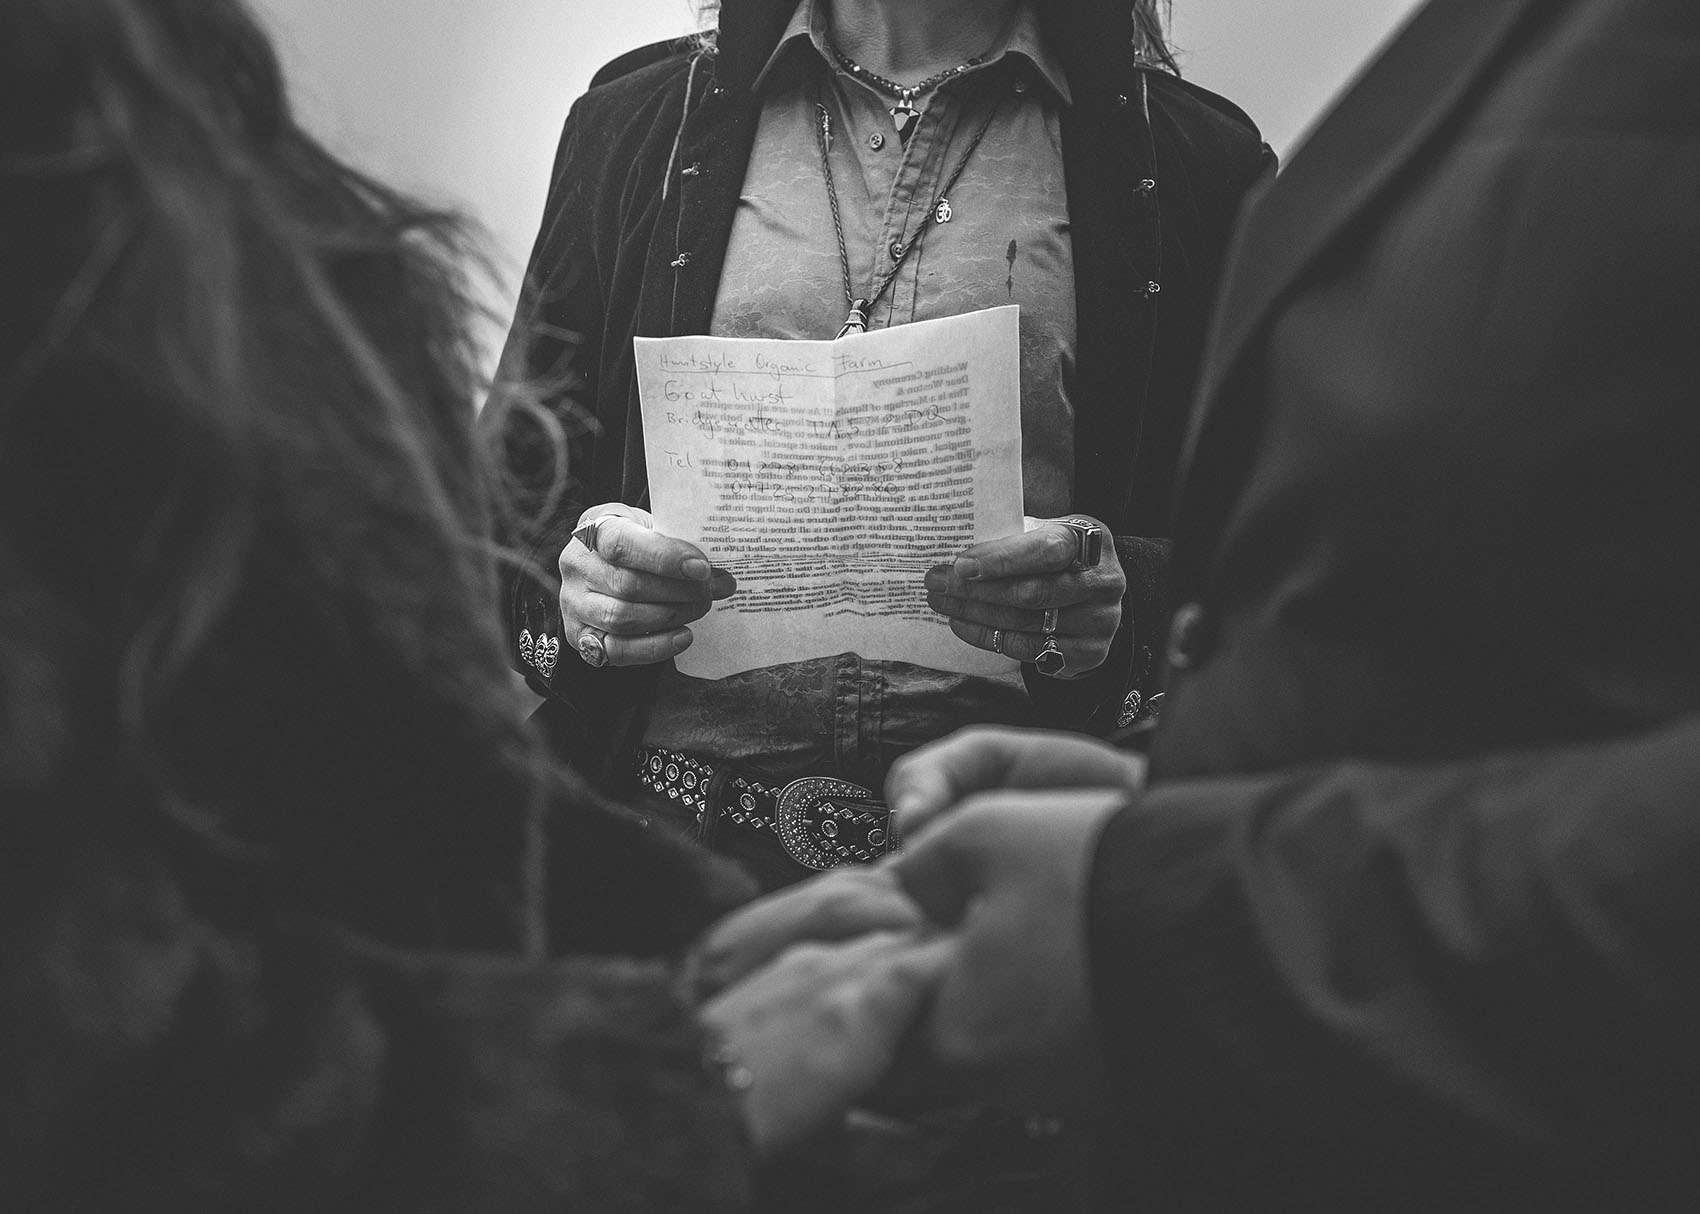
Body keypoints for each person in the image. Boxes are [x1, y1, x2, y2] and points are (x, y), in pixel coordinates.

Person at [700, 0, 1700, 1205]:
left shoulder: (1193, 157)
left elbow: (1212, 556)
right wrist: (1153, 810)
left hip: (1112, 963)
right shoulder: (643, 123)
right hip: (728, 858)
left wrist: (1151, 876)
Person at [0, 0, 947, 1205]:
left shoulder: (164, 100)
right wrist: (661, 1087)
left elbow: (362, 784)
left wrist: (692, 937)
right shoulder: (636, 120)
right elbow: (77, 1048)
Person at [487, 0, 1271, 890]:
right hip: (656, 861)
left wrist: (1120, 610)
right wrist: (580, 591)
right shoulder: (635, 125)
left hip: (1008, 887)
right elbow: (491, 523)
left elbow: (1273, 588)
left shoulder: (1199, 165)